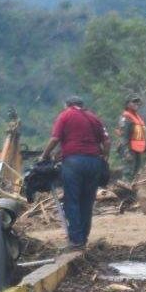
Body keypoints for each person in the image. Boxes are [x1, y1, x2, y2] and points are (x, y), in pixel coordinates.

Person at [45, 95, 110, 250]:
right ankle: (84, 238)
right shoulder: (94, 118)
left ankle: (76, 240)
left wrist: (45, 155)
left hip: (74, 162)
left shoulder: (65, 115)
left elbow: (55, 138)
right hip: (94, 162)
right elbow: (106, 141)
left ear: (67, 105)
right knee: (87, 201)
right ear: (82, 104)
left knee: (72, 200)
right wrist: (104, 157)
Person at [117, 97, 146, 182]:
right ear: (127, 104)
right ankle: (125, 189)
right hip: (128, 148)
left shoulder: (137, 117)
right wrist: (126, 152)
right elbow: (123, 136)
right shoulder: (126, 117)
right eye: (134, 102)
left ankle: (133, 190)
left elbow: (141, 134)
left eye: (137, 102)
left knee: (137, 172)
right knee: (128, 171)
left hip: (138, 149)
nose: (136, 104)